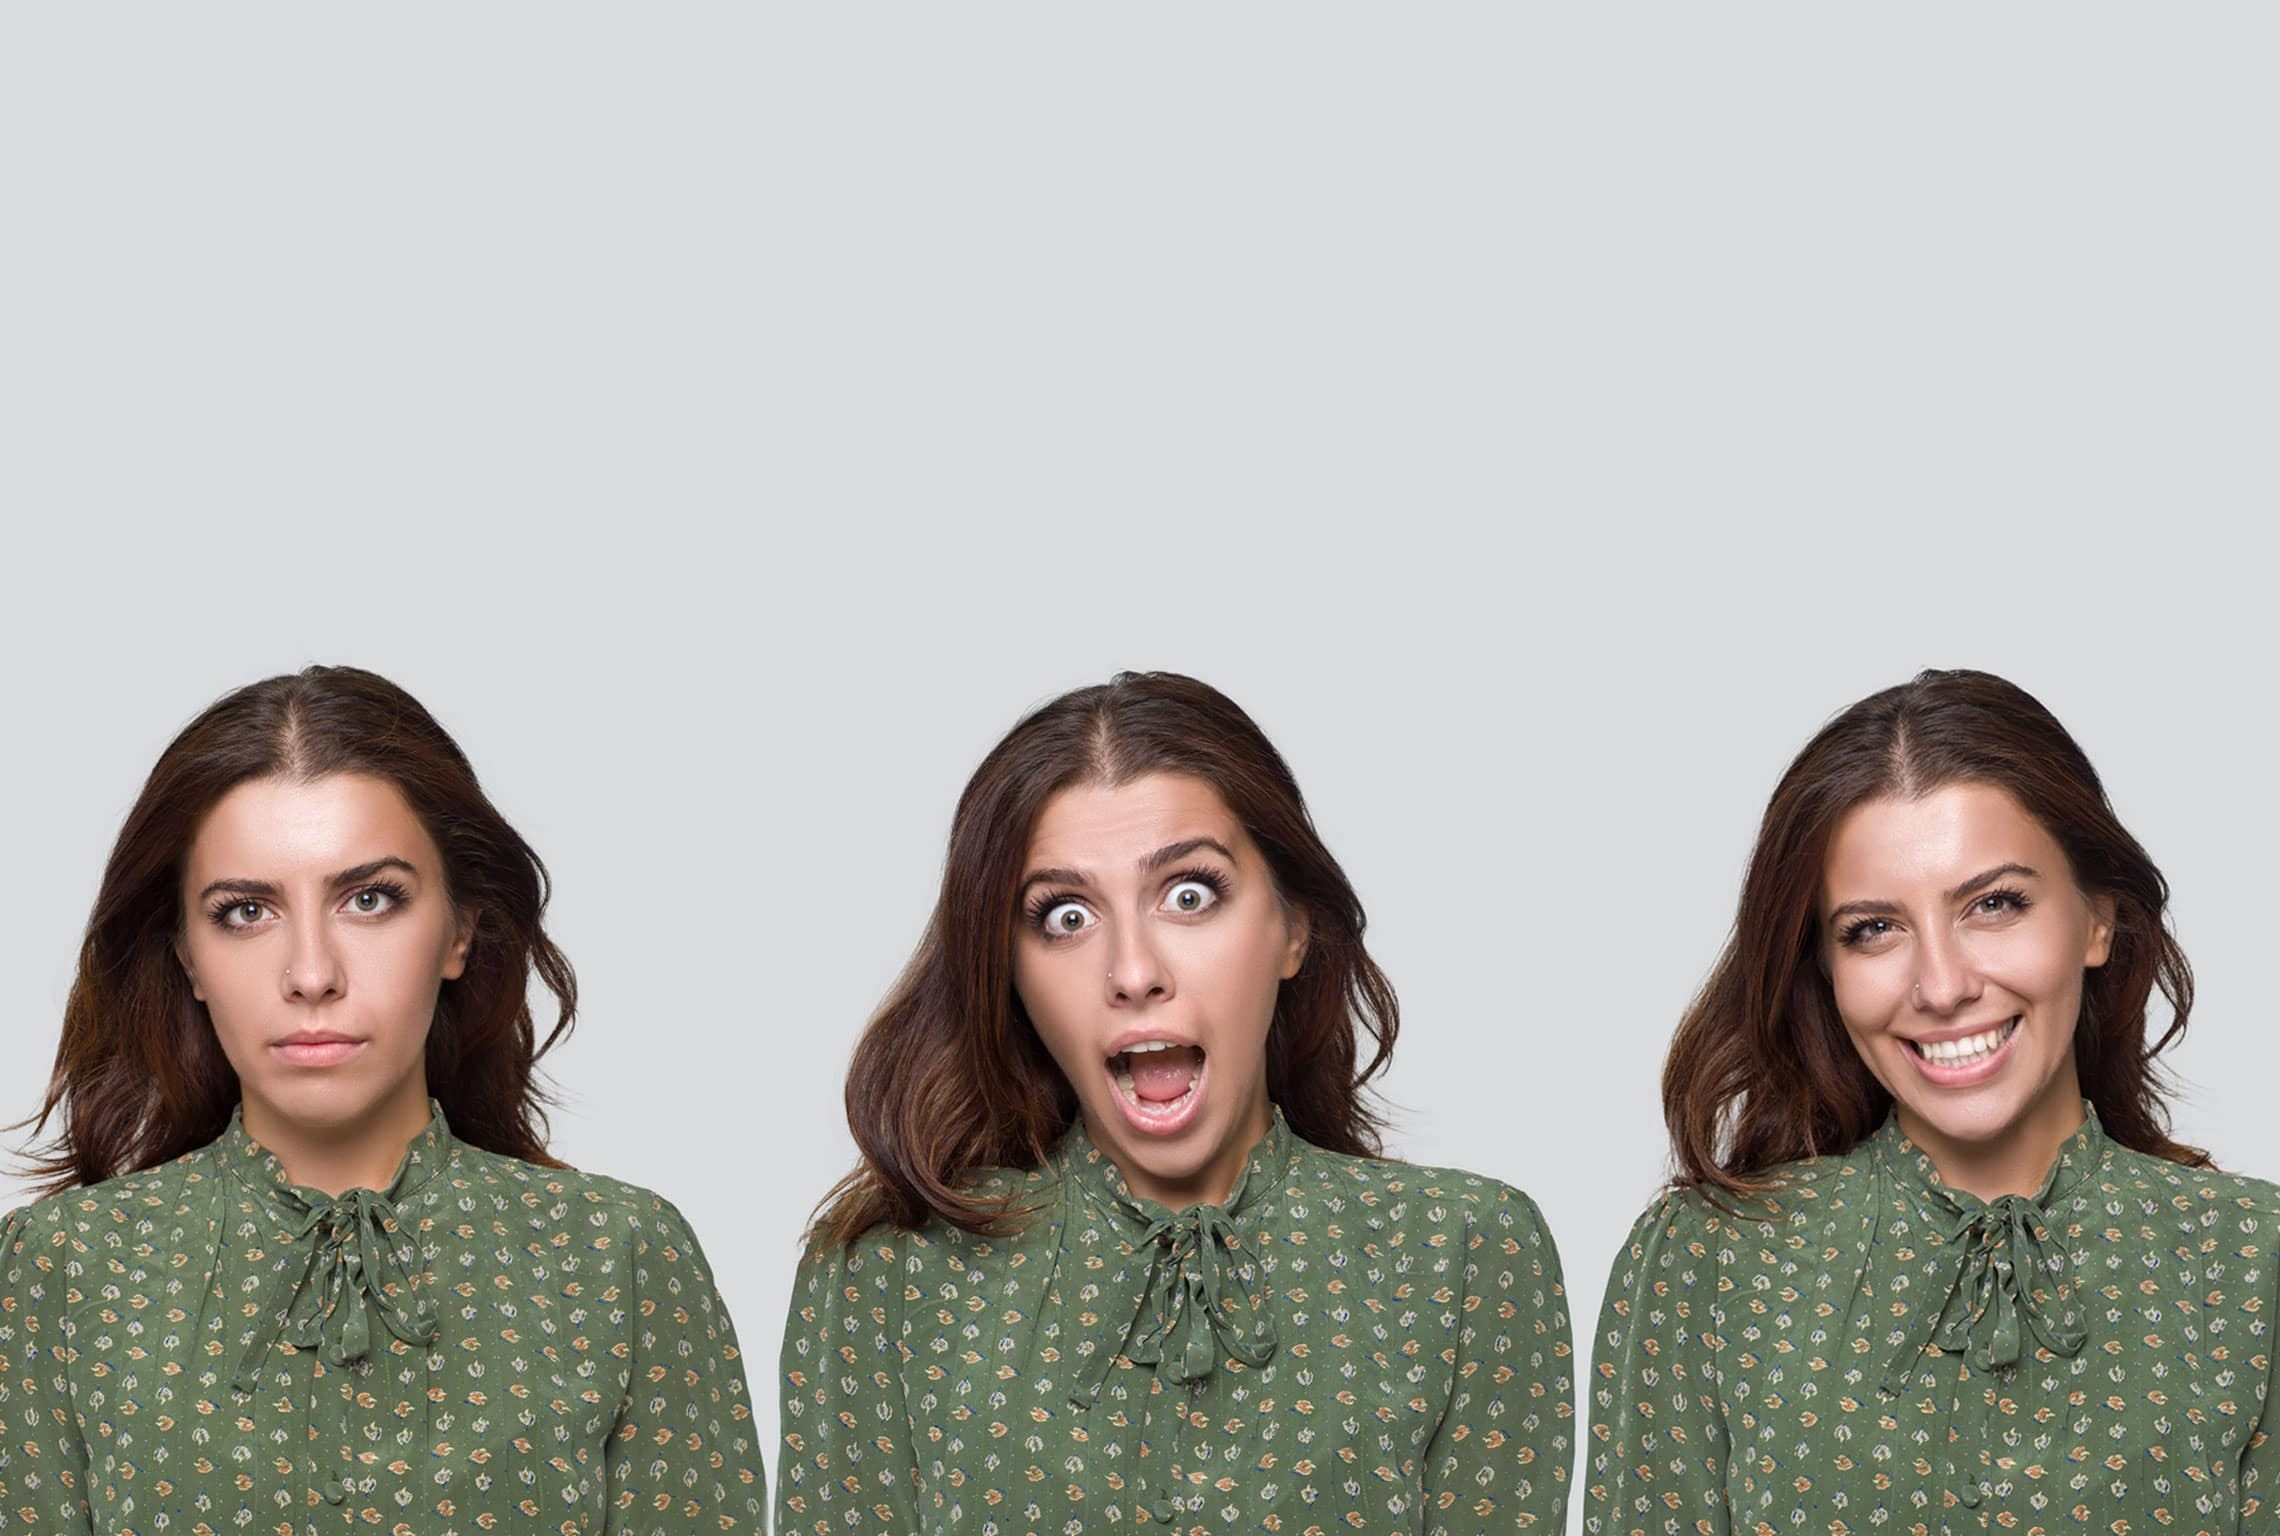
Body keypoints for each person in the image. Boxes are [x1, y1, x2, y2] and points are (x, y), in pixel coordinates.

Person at [776, 671, 1574, 1535]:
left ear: (1294, 930)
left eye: (1189, 895)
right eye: (1066, 917)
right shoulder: (886, 1276)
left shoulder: (1462, 1255)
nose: (1132, 972)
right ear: (1006, 970)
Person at [0, 666, 767, 1535]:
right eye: (246, 911)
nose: (312, 974)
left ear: (460, 931)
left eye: (370, 899)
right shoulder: (59, 1270)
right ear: (185, 955)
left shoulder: (618, 1257)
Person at [1584, 669, 2278, 1536]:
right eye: (1873, 928)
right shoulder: (1708, 1261)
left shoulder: (2255, 1262)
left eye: (1994, 904)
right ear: (1825, 970)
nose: (1943, 987)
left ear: (2098, 920)